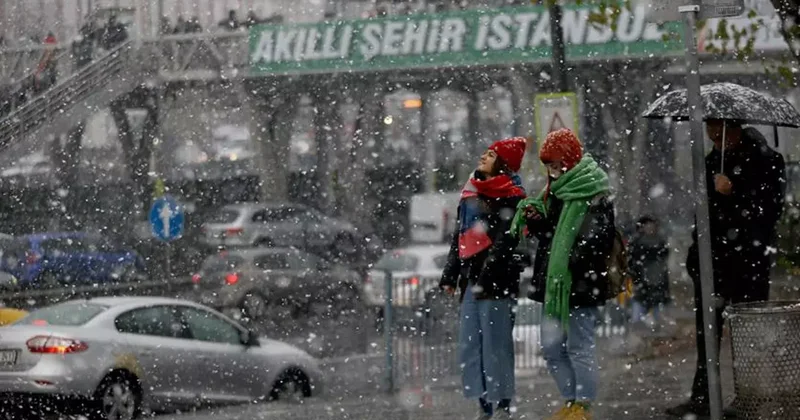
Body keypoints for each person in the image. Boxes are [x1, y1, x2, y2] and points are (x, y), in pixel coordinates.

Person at [667, 121, 786, 418]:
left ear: (735, 129)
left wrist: (733, 192)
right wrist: (696, 255)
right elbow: (704, 212)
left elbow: (768, 212)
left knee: (747, 335)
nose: (715, 140)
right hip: (713, 262)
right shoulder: (711, 161)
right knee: (707, 333)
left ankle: (749, 397)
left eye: (720, 134)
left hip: (748, 262)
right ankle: (703, 396)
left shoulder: (767, 160)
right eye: (710, 134)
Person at [512, 128, 615, 420]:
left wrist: (570, 257)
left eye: (555, 163)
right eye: (547, 165)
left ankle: (583, 405)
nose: (551, 170)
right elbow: (552, 236)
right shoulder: (555, 192)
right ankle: (571, 402)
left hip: (581, 283)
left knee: (580, 346)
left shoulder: (594, 191)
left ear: (569, 159)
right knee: (552, 347)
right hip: (555, 286)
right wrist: (538, 222)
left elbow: (599, 241)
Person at [439, 137, 528, 420]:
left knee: (496, 344)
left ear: (502, 164)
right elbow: (459, 238)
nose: (483, 157)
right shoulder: (470, 193)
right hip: (471, 281)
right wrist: (450, 274)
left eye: (490, 155)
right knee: (470, 345)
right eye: (485, 152)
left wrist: (488, 273)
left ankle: (501, 403)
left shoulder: (512, 196)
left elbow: (506, 240)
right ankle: (482, 403)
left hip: (498, 283)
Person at [628, 215, 670, 329]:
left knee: (654, 312)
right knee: (640, 313)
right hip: (644, 282)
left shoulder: (657, 241)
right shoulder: (638, 242)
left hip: (654, 281)